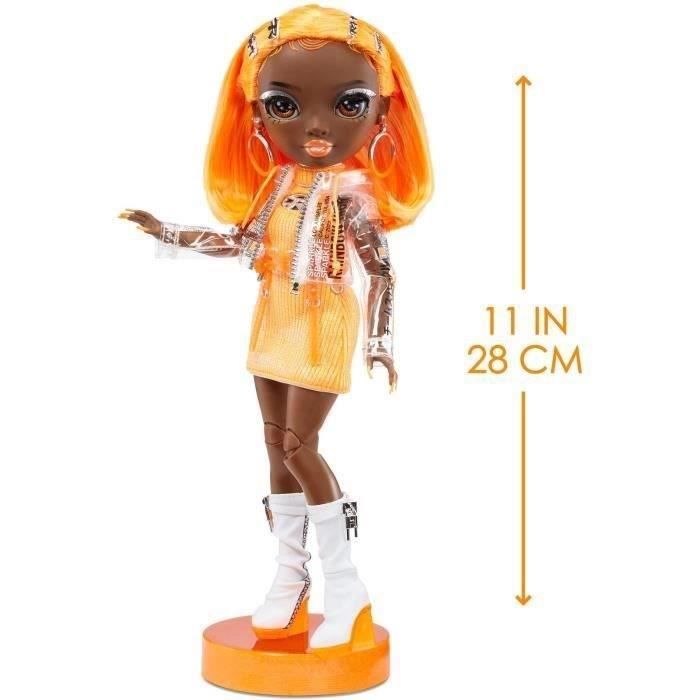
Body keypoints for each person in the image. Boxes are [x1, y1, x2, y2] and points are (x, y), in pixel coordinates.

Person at [120, 4, 432, 654]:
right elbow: (239, 244)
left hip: (323, 325)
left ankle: (345, 586)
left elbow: (381, 272)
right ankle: (290, 580)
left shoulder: (354, 196)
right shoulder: (277, 185)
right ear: (258, 116)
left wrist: (379, 343)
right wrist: (166, 232)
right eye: (284, 106)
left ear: (380, 114)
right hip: (273, 319)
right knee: (273, 445)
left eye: (348, 104)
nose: (316, 126)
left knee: (299, 447)